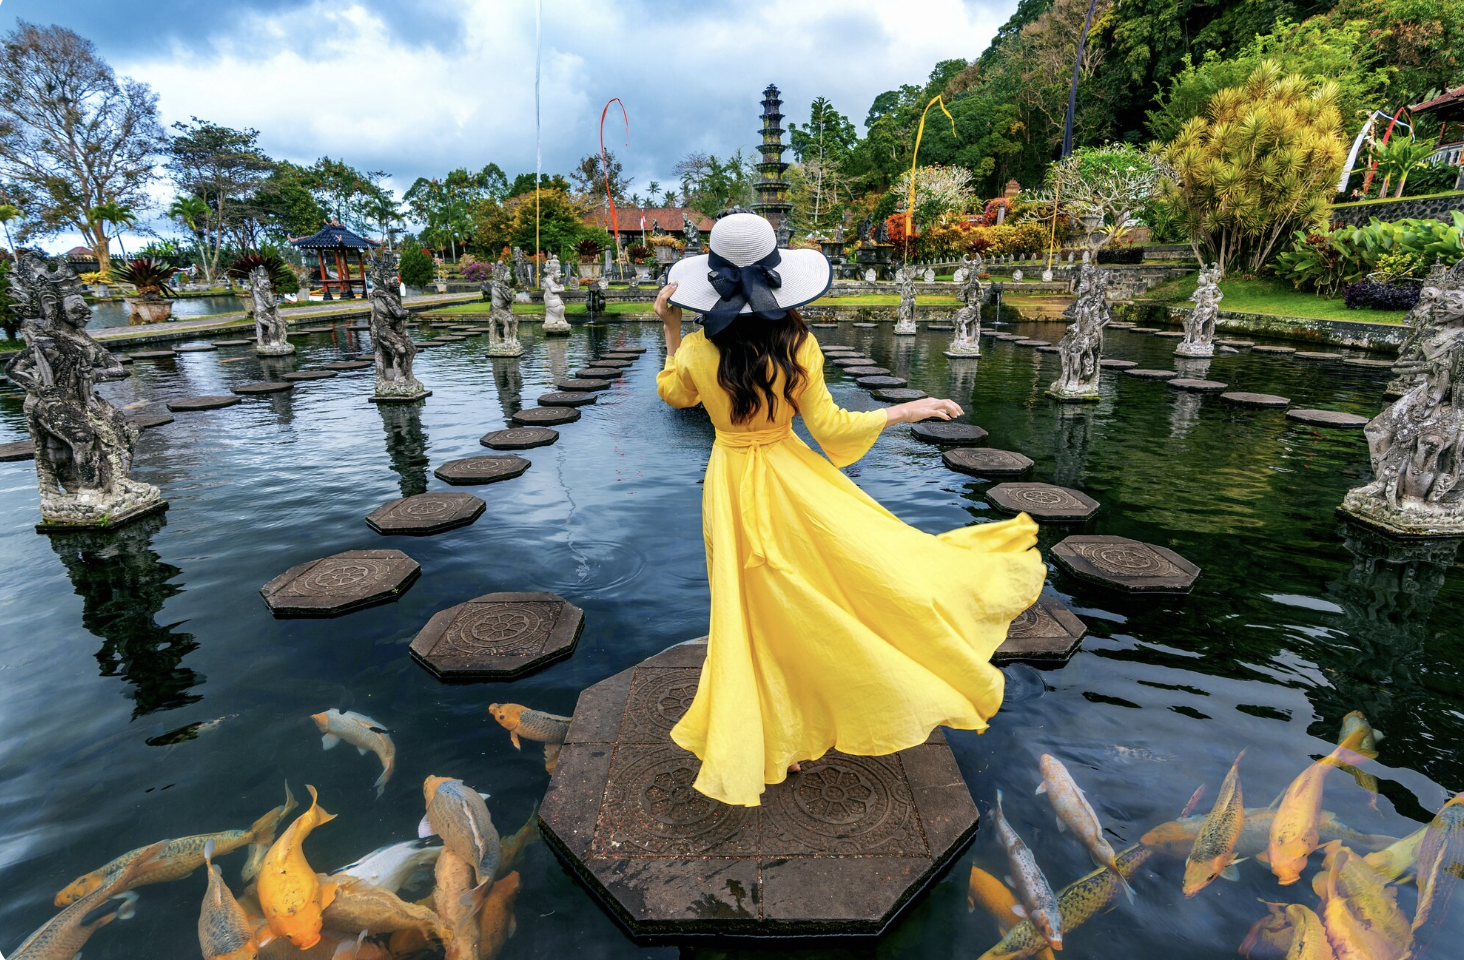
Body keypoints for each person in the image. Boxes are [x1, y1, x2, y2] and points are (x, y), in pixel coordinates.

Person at [654, 213, 1046, 807]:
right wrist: (901, 411)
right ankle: (819, 702)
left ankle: (768, 723)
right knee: (825, 588)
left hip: (730, 484)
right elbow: (833, 430)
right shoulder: (797, 343)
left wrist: (670, 325)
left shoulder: (695, 349)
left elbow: (674, 394)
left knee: (747, 605)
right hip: (790, 479)